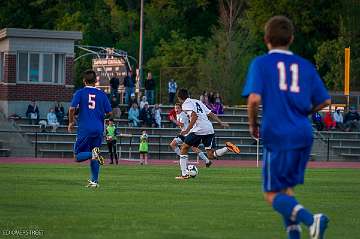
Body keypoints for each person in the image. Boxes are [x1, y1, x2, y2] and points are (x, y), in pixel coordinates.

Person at [242, 16, 330, 239]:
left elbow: (253, 100)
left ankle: (312, 220)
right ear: (291, 38)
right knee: (287, 191)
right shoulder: (305, 65)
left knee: (271, 194)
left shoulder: (261, 63)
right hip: (302, 132)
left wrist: (253, 125)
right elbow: (325, 101)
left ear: (266, 39)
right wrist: (305, 114)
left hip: (278, 132)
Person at [176, 89, 240, 180]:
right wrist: (221, 123)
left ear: (179, 98)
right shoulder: (197, 101)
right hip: (209, 129)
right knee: (210, 155)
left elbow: (194, 116)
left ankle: (184, 174)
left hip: (198, 130)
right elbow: (210, 113)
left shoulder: (185, 105)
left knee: (184, 148)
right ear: (188, 95)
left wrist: (187, 130)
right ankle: (227, 148)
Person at [68, 69, 112, 188]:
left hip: (85, 129)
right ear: (96, 81)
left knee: (77, 156)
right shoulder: (102, 94)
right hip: (98, 129)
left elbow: (72, 109)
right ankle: (94, 181)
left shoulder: (80, 93)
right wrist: (100, 115)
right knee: (94, 152)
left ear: (84, 80)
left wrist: (71, 122)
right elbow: (110, 113)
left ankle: (94, 155)